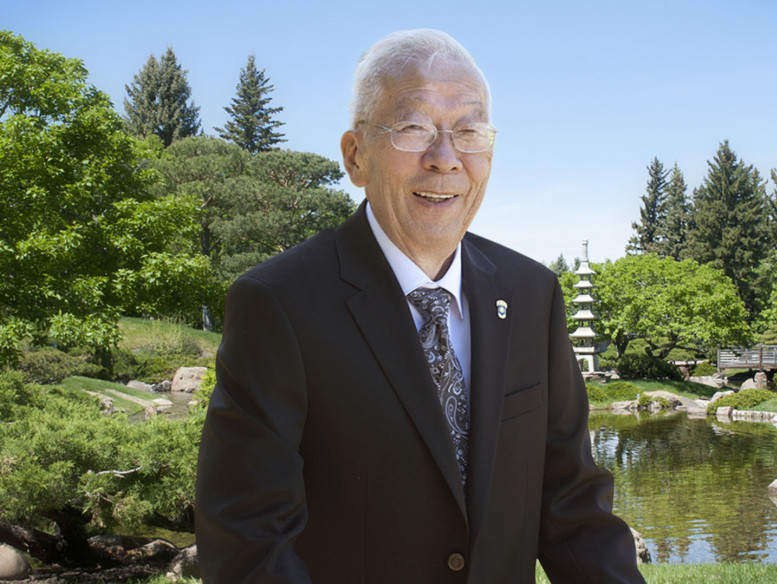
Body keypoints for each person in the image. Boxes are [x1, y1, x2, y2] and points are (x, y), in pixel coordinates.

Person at [195, 28, 645, 583]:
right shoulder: (279, 304)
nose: (445, 158)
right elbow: (248, 544)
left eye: (469, 131)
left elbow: (574, 511)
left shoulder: (531, 294)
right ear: (356, 156)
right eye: (413, 128)